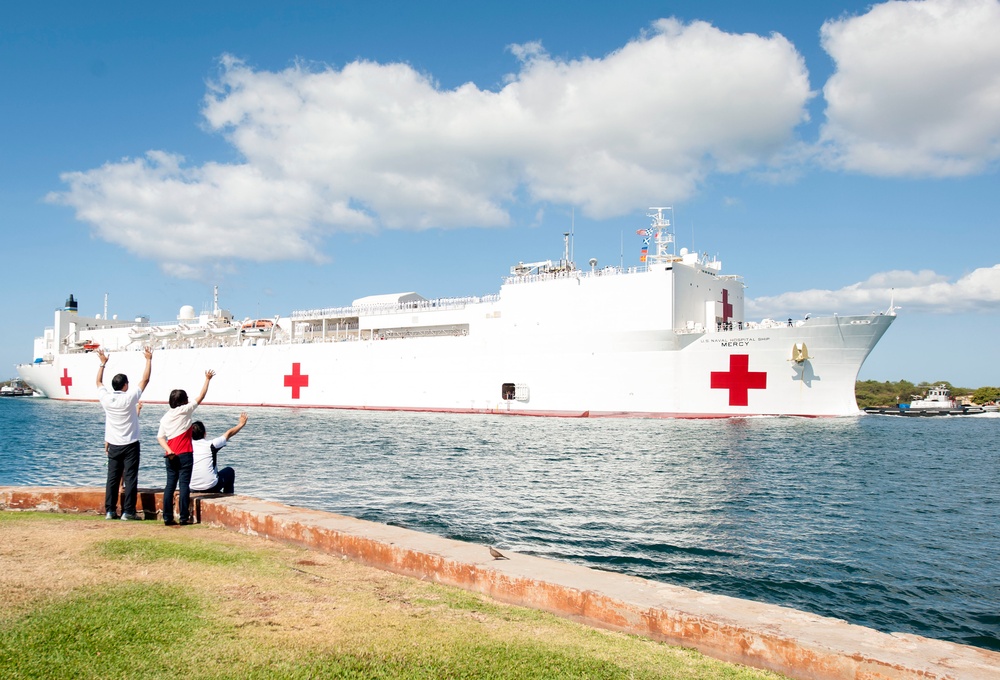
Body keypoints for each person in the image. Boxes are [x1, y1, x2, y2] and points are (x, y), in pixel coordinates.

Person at [96, 346, 153, 521]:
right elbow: (145, 379)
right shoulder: (129, 398)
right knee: (130, 478)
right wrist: (149, 359)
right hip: (130, 443)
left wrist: (102, 364)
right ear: (126, 385)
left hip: (113, 444)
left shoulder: (106, 398)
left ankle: (110, 511)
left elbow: (98, 383)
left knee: (112, 478)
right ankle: (128, 512)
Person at [157, 370, 215, 526]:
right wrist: (207, 379)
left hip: (170, 455)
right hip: (185, 454)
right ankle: (183, 517)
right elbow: (201, 396)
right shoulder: (185, 410)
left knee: (169, 486)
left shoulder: (165, 418)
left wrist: (168, 450)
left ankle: (167, 517)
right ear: (182, 401)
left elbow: (160, 437)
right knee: (184, 486)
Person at [190, 412, 248, 494]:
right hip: (211, 486)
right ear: (205, 433)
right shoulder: (211, 445)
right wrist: (241, 424)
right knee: (230, 471)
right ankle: (228, 496)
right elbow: (228, 433)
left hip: (192, 487)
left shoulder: (187, 447)